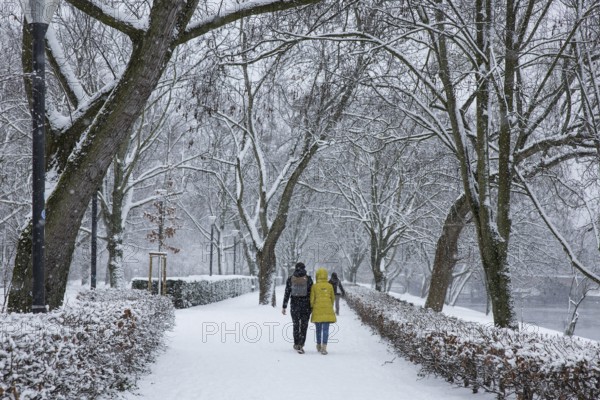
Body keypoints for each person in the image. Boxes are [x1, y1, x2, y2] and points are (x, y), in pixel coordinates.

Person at [282, 262, 313, 354]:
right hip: (306, 306)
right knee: (304, 326)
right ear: (304, 268)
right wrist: (312, 306)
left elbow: (287, 293)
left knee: (296, 325)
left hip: (294, 305)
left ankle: (296, 343)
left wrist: (284, 306)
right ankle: (301, 344)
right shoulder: (308, 279)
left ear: (295, 268)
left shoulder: (290, 279)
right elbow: (312, 293)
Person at [310, 268, 336, 355]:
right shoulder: (330, 286)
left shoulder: (314, 286)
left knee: (318, 329)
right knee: (325, 330)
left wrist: (313, 307)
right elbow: (333, 298)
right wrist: (329, 306)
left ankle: (318, 345)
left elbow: (312, 300)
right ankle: (324, 347)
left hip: (317, 310)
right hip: (327, 310)